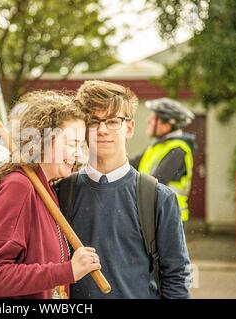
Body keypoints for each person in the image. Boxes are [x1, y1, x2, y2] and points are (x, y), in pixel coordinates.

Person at [56, 81, 191, 299]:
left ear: (129, 128)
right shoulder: (60, 192)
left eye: (112, 121)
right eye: (93, 121)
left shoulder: (158, 198)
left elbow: (176, 275)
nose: (102, 130)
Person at [0, 91, 101, 299]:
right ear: (44, 140)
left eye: (80, 145)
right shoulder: (18, 187)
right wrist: (68, 271)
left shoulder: (46, 189)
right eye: (72, 143)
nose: (79, 154)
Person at [130, 98, 196, 223]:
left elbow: (155, 182)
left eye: (154, 118)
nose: (148, 120)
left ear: (167, 124)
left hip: (170, 217)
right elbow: (129, 165)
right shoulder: (156, 147)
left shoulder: (177, 150)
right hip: (157, 215)